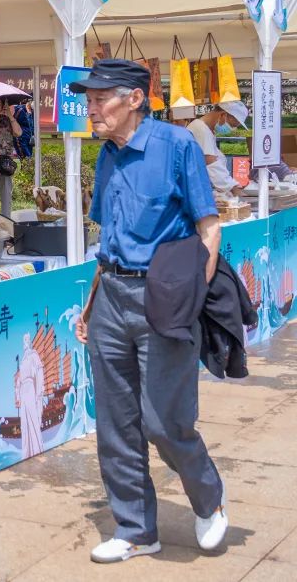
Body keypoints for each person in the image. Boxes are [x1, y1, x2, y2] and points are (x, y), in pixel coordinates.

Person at [72, 59, 227, 564]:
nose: (91, 108)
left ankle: (209, 500)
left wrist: (191, 300)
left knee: (164, 422)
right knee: (117, 424)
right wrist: (91, 304)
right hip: (111, 298)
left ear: (134, 99)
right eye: (89, 99)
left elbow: (209, 229)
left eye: (100, 99)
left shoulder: (177, 146)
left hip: (164, 298)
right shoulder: (107, 156)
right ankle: (137, 530)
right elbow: (107, 241)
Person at [187, 102, 248, 196]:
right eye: (232, 125)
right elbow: (211, 163)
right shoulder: (200, 129)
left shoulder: (207, 131)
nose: (232, 129)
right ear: (223, 115)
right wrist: (232, 187)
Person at [14, 334, 45, 459]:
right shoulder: (23, 359)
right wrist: (17, 393)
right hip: (23, 390)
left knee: (33, 418)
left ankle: (37, 449)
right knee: (25, 421)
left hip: (31, 388)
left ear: (30, 341)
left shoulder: (33, 355)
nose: (25, 342)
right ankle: (27, 452)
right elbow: (19, 379)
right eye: (24, 340)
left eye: (27, 340)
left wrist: (39, 392)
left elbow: (39, 372)